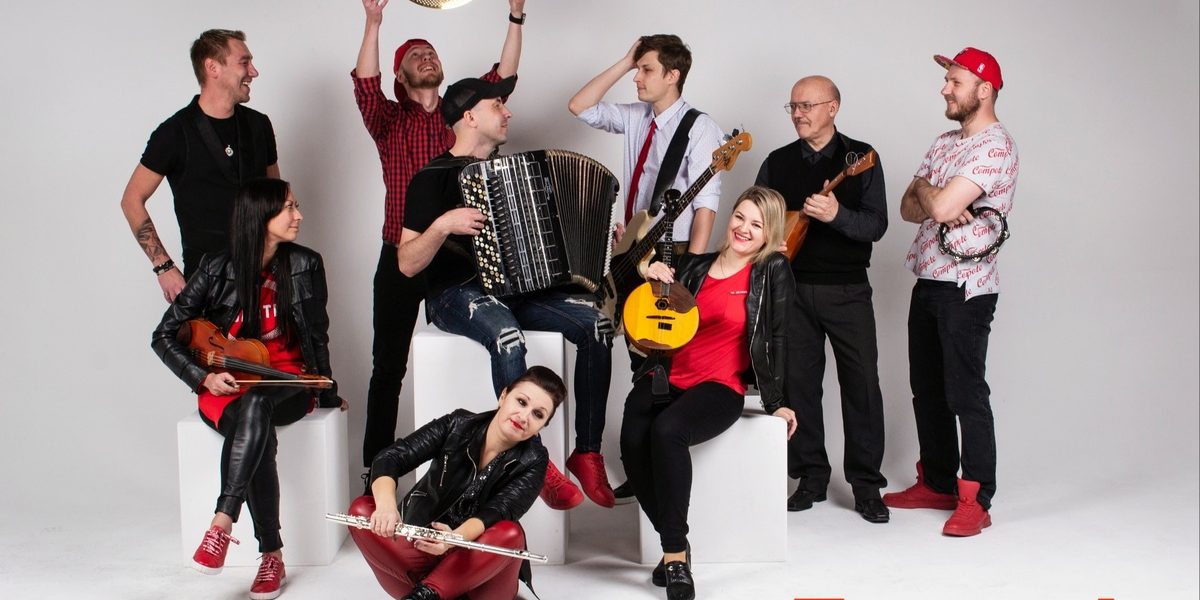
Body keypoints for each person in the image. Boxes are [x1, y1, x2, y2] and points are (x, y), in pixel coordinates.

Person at [398, 76, 614, 510]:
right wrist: (443, 225)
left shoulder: (516, 176)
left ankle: (587, 451)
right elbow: (406, 263)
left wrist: (603, 232)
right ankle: (533, 459)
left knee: (599, 327)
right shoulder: (430, 179)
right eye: (498, 105)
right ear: (469, 116)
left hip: (515, 291)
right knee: (507, 335)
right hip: (453, 294)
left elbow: (553, 247)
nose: (508, 111)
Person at [352, 0, 528, 484]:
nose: (426, 56)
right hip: (402, 256)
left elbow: (504, 79)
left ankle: (489, 463)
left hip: (459, 263)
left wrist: (516, 14)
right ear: (401, 76)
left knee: (476, 347)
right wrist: (373, 22)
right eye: (415, 55)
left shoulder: (461, 115)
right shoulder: (389, 120)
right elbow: (365, 84)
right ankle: (376, 472)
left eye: (431, 51)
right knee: (388, 367)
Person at [152, 178, 344, 599]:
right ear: (261, 216)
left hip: (287, 381)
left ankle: (221, 523)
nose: (299, 216)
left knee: (257, 403)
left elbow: (318, 334)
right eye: (289, 208)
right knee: (255, 424)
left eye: (296, 206)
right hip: (227, 383)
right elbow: (163, 335)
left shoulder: (306, 264)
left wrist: (327, 391)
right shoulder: (216, 267)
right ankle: (272, 554)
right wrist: (202, 377)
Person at [621, 186, 798, 600]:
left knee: (668, 431)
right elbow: (653, 316)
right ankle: (677, 543)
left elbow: (778, 336)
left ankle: (674, 557)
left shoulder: (771, 270)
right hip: (668, 374)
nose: (744, 229)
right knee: (631, 439)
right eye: (740, 217)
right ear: (729, 217)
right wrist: (650, 276)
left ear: (769, 232)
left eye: (757, 224)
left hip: (720, 384)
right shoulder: (694, 266)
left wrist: (777, 401)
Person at [569, 34, 724, 504]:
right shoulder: (636, 116)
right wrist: (625, 60)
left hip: (676, 252)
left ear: (673, 75)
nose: (637, 78)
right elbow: (579, 106)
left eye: (647, 69)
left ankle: (664, 463)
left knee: (668, 361)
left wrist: (690, 272)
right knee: (641, 359)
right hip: (633, 251)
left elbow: (706, 204)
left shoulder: (700, 128)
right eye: (638, 69)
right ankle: (641, 468)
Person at [886, 47, 1020, 537]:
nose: (945, 89)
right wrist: (933, 194)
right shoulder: (945, 142)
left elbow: (937, 206)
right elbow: (908, 207)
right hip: (928, 279)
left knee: (965, 392)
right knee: (927, 389)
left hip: (967, 287)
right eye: (947, 80)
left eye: (955, 82)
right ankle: (938, 483)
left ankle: (976, 498)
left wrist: (932, 194)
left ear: (984, 90)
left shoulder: (996, 146)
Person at [755, 76, 890, 523]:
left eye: (807, 106)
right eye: (793, 106)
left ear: (833, 108)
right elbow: (756, 220)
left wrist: (837, 215)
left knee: (862, 386)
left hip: (847, 290)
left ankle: (867, 486)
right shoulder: (776, 162)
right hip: (790, 290)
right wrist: (768, 243)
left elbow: (876, 226)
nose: (798, 114)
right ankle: (810, 477)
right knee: (799, 386)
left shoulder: (861, 158)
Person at [347, 366, 565, 600]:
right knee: (361, 510)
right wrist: (386, 507)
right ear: (503, 396)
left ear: (542, 426)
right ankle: (435, 590)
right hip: (420, 553)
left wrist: (453, 539)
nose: (524, 417)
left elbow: (499, 510)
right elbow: (391, 458)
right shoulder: (458, 424)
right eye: (521, 402)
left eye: (538, 414)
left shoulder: (535, 460)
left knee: (510, 534)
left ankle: (430, 592)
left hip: (479, 569)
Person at [122, 29, 280, 302]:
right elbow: (131, 200)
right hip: (208, 288)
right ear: (212, 67)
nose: (253, 72)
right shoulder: (173, 132)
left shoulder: (259, 125)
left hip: (266, 281)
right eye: (244, 62)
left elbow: (277, 199)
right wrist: (163, 267)